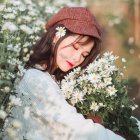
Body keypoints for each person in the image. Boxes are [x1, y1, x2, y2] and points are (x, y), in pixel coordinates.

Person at [3, 7, 125, 140]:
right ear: (56, 36)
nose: (77, 58)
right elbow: (77, 129)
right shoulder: (36, 79)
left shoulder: (57, 80)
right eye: (75, 47)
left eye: (84, 54)